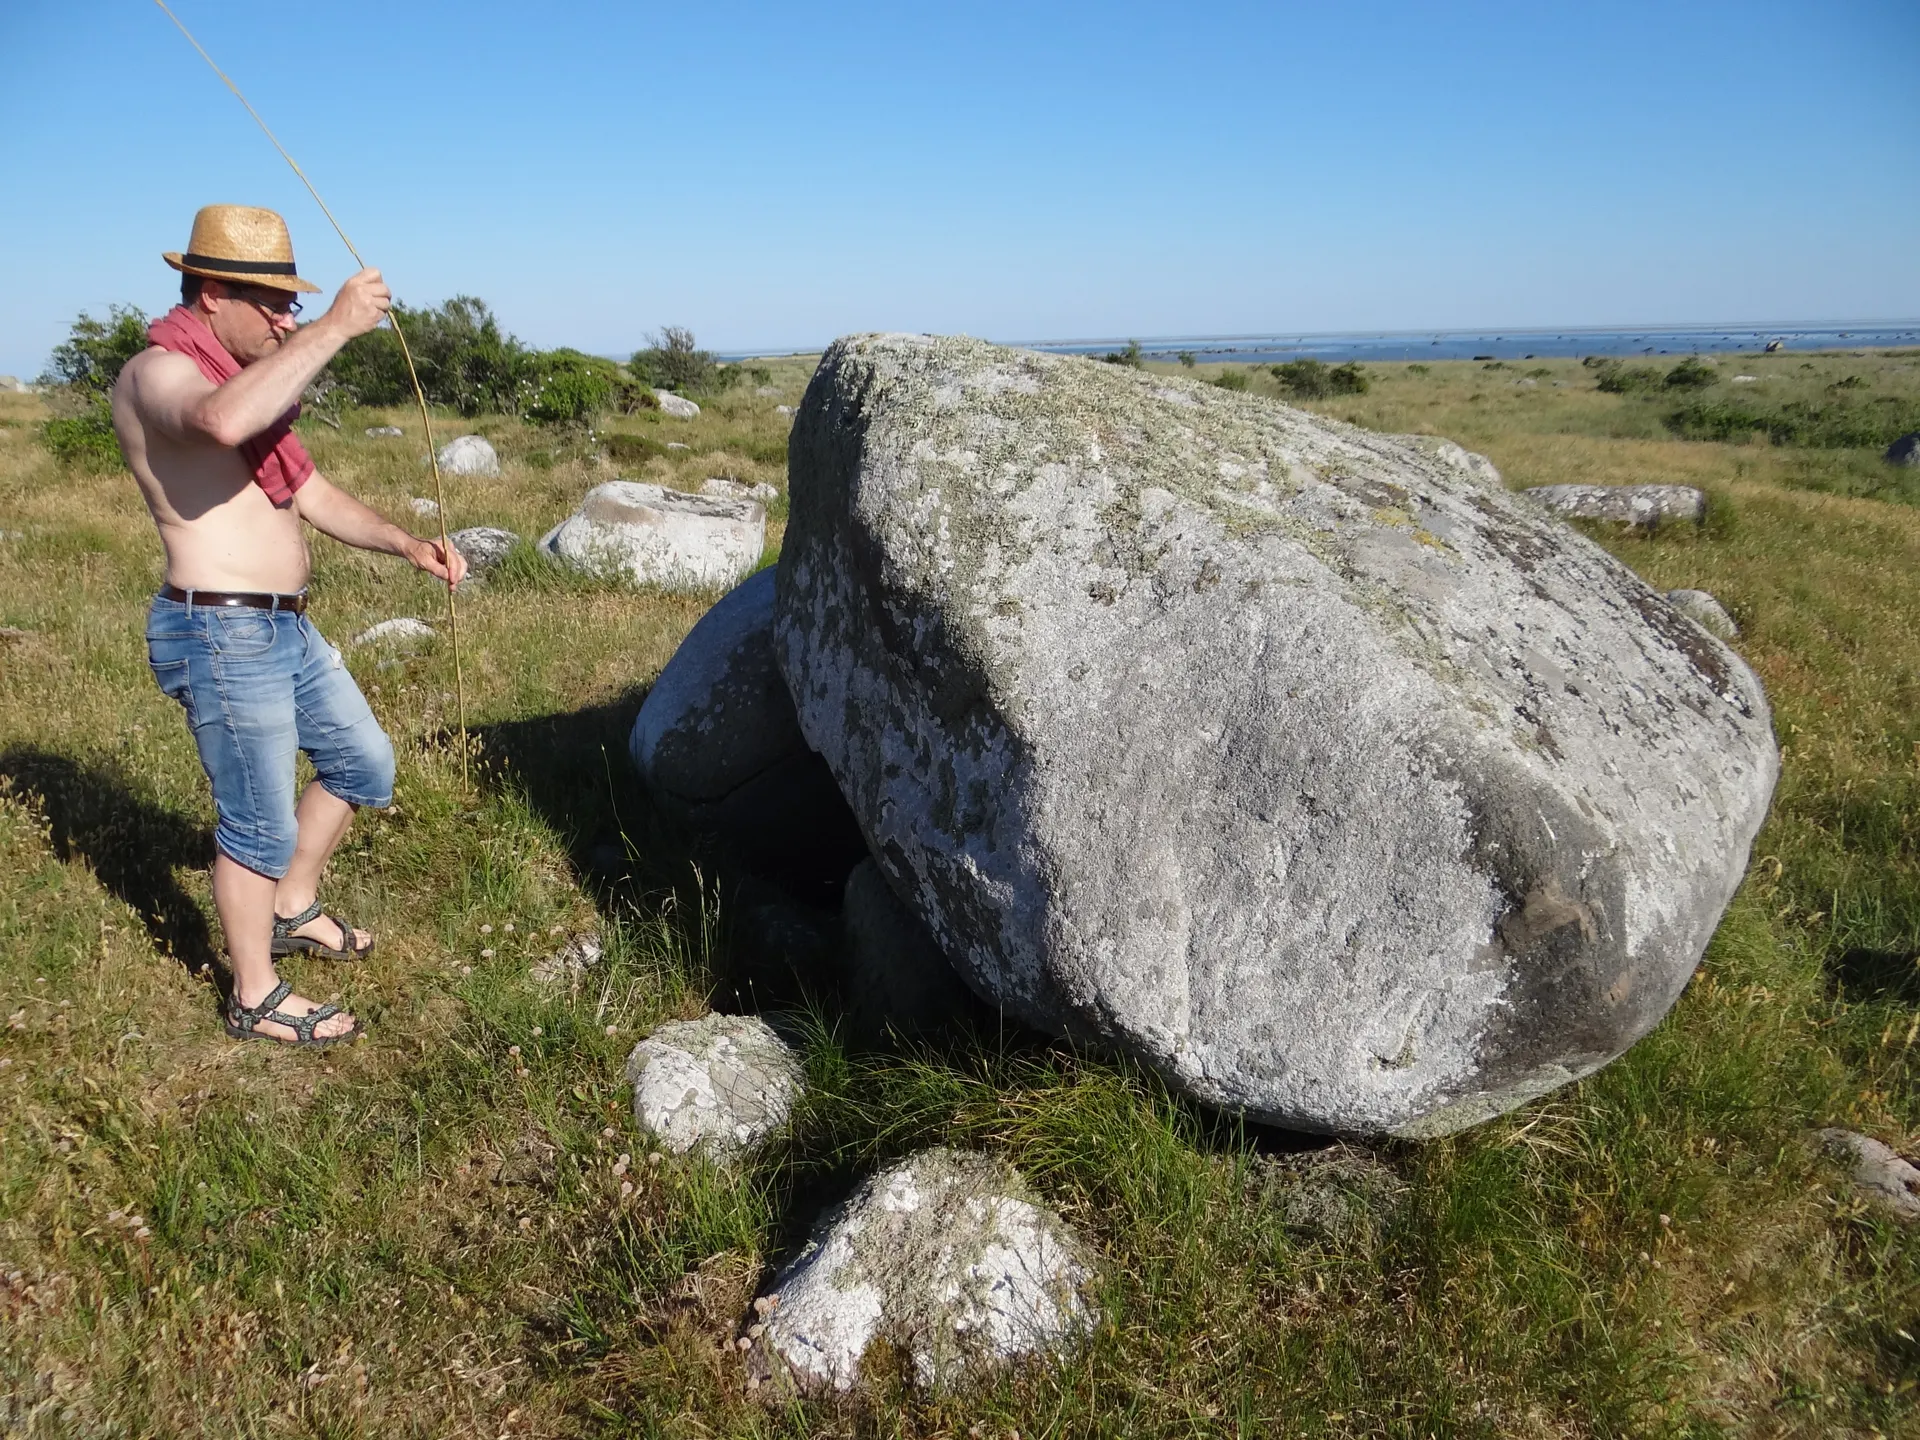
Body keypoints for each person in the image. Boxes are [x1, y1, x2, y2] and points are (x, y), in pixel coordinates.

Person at [112, 204, 468, 1047]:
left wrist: (406, 543)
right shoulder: (159, 374)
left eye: (295, 304)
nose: (287, 318)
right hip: (219, 633)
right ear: (207, 293)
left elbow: (309, 494)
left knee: (362, 763)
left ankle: (291, 902)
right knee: (258, 824)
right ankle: (254, 994)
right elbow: (218, 422)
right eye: (268, 302)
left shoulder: (248, 386)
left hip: (285, 629)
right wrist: (340, 327)